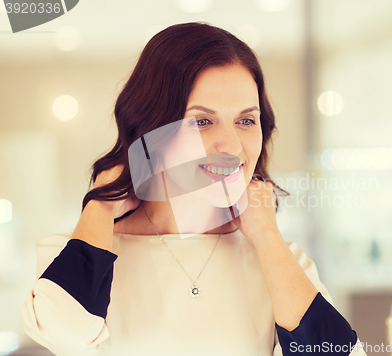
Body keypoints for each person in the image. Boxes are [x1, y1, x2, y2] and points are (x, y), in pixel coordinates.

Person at [21, 22, 367, 356]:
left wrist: (266, 236)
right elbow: (67, 332)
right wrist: (102, 201)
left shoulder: (279, 260)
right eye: (202, 121)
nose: (231, 145)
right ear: (150, 129)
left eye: (246, 120)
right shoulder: (76, 254)